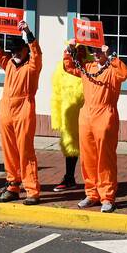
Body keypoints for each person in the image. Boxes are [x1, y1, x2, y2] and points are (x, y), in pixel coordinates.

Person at [63, 39, 127, 212]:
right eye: (94, 50)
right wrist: (69, 48)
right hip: (86, 115)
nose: (96, 53)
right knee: (88, 157)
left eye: (100, 50)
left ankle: (107, 196)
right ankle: (91, 193)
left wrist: (111, 56)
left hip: (105, 114)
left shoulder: (113, 69)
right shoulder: (89, 67)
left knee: (105, 157)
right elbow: (69, 67)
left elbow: (124, 74)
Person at [0, 21, 42, 205]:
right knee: (9, 151)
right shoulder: (9, 63)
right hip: (7, 110)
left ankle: (32, 190)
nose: (15, 54)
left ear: (25, 49)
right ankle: (13, 185)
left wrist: (28, 32)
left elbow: (37, 53)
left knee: (25, 151)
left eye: (18, 50)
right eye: (12, 51)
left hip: (24, 108)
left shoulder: (32, 66)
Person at [49, 54, 85, 191]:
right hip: (69, 114)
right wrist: (57, 117)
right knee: (70, 145)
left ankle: (97, 184)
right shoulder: (62, 66)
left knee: (93, 149)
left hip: (88, 113)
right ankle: (69, 177)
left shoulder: (91, 65)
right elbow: (57, 92)